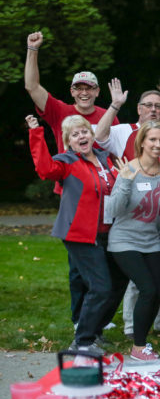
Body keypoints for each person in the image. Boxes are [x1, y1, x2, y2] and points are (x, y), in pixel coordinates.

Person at [94, 81, 160, 339]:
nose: (154, 110)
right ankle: (132, 331)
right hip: (126, 235)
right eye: (149, 105)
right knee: (139, 285)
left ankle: (159, 325)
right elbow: (98, 137)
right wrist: (124, 180)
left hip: (155, 235)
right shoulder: (125, 133)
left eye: (159, 106)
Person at [26, 114, 124, 354]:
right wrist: (36, 133)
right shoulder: (67, 161)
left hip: (110, 232)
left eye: (85, 132)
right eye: (75, 134)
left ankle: (95, 330)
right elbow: (45, 169)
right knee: (100, 287)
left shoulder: (106, 159)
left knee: (119, 282)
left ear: (92, 135)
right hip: (80, 233)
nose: (82, 136)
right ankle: (82, 342)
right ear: (68, 141)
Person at [106, 122, 160, 361]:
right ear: (142, 142)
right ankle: (138, 346)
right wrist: (124, 181)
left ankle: (141, 343)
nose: (158, 145)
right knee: (147, 289)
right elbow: (113, 210)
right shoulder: (128, 170)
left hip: (151, 241)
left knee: (157, 291)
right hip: (124, 240)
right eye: (153, 140)